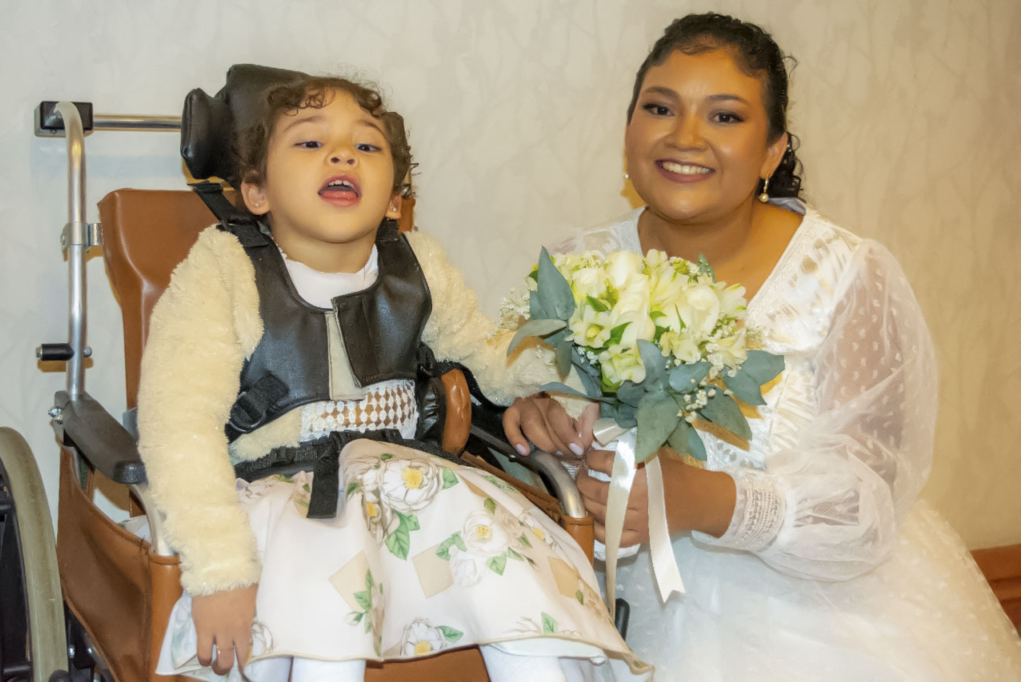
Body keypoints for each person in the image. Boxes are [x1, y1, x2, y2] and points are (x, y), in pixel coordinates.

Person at [504, 13, 1021, 681]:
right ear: (628, 128)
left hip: (816, 626)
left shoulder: (846, 273)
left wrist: (701, 500)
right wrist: (541, 420)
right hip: (611, 607)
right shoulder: (579, 265)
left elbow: (866, 507)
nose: (684, 136)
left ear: (773, 151)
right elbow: (554, 440)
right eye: (659, 107)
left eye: (724, 117)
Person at [138, 74, 645, 682]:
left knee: (516, 577)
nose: (342, 153)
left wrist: (582, 364)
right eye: (308, 143)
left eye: (368, 146)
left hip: (411, 489)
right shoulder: (224, 269)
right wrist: (221, 570)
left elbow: (490, 354)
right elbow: (179, 424)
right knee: (332, 598)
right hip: (281, 495)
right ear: (255, 191)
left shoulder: (416, 264)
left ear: (395, 197)